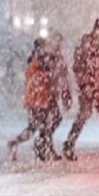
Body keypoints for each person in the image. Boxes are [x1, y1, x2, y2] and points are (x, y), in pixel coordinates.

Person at [62, 17, 99, 161]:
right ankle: (69, 144)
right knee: (84, 116)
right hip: (89, 87)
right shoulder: (86, 44)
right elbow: (78, 66)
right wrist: (85, 84)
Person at [8, 38, 61, 161]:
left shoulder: (37, 59)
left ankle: (37, 147)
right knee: (42, 126)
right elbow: (41, 79)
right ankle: (39, 147)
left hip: (37, 99)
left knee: (39, 126)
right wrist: (49, 77)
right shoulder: (38, 61)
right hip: (39, 100)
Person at [33, 30, 72, 158]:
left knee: (52, 120)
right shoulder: (46, 56)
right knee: (49, 120)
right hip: (44, 93)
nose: (58, 44)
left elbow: (63, 77)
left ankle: (43, 145)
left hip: (50, 93)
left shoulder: (56, 57)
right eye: (56, 41)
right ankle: (45, 146)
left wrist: (66, 94)